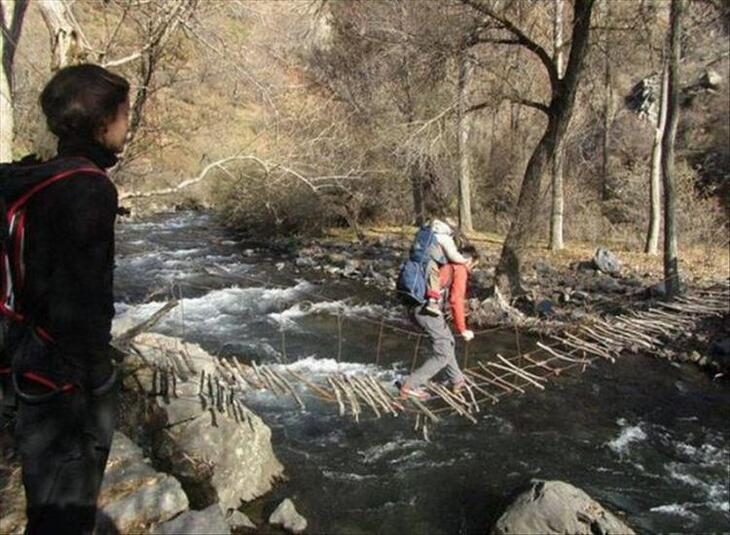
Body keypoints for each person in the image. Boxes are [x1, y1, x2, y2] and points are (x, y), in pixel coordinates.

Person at [1, 64, 129, 534]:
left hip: (23, 360)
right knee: (65, 517)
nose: (127, 124)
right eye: (123, 113)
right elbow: (82, 302)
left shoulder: (35, 176)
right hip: (63, 381)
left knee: (46, 506)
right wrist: (98, 382)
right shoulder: (87, 187)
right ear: (101, 123)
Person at [400, 246, 479, 401]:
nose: (471, 269)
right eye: (473, 266)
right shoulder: (460, 269)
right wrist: (463, 329)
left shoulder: (441, 261)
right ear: (468, 260)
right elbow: (456, 300)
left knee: (447, 342)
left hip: (414, 306)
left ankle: (457, 380)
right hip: (426, 309)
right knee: (443, 351)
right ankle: (410, 386)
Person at [423, 217, 470, 316]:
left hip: (421, 260)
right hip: (431, 261)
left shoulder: (429, 232)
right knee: (434, 280)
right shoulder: (445, 238)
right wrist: (465, 260)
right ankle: (433, 303)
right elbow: (454, 256)